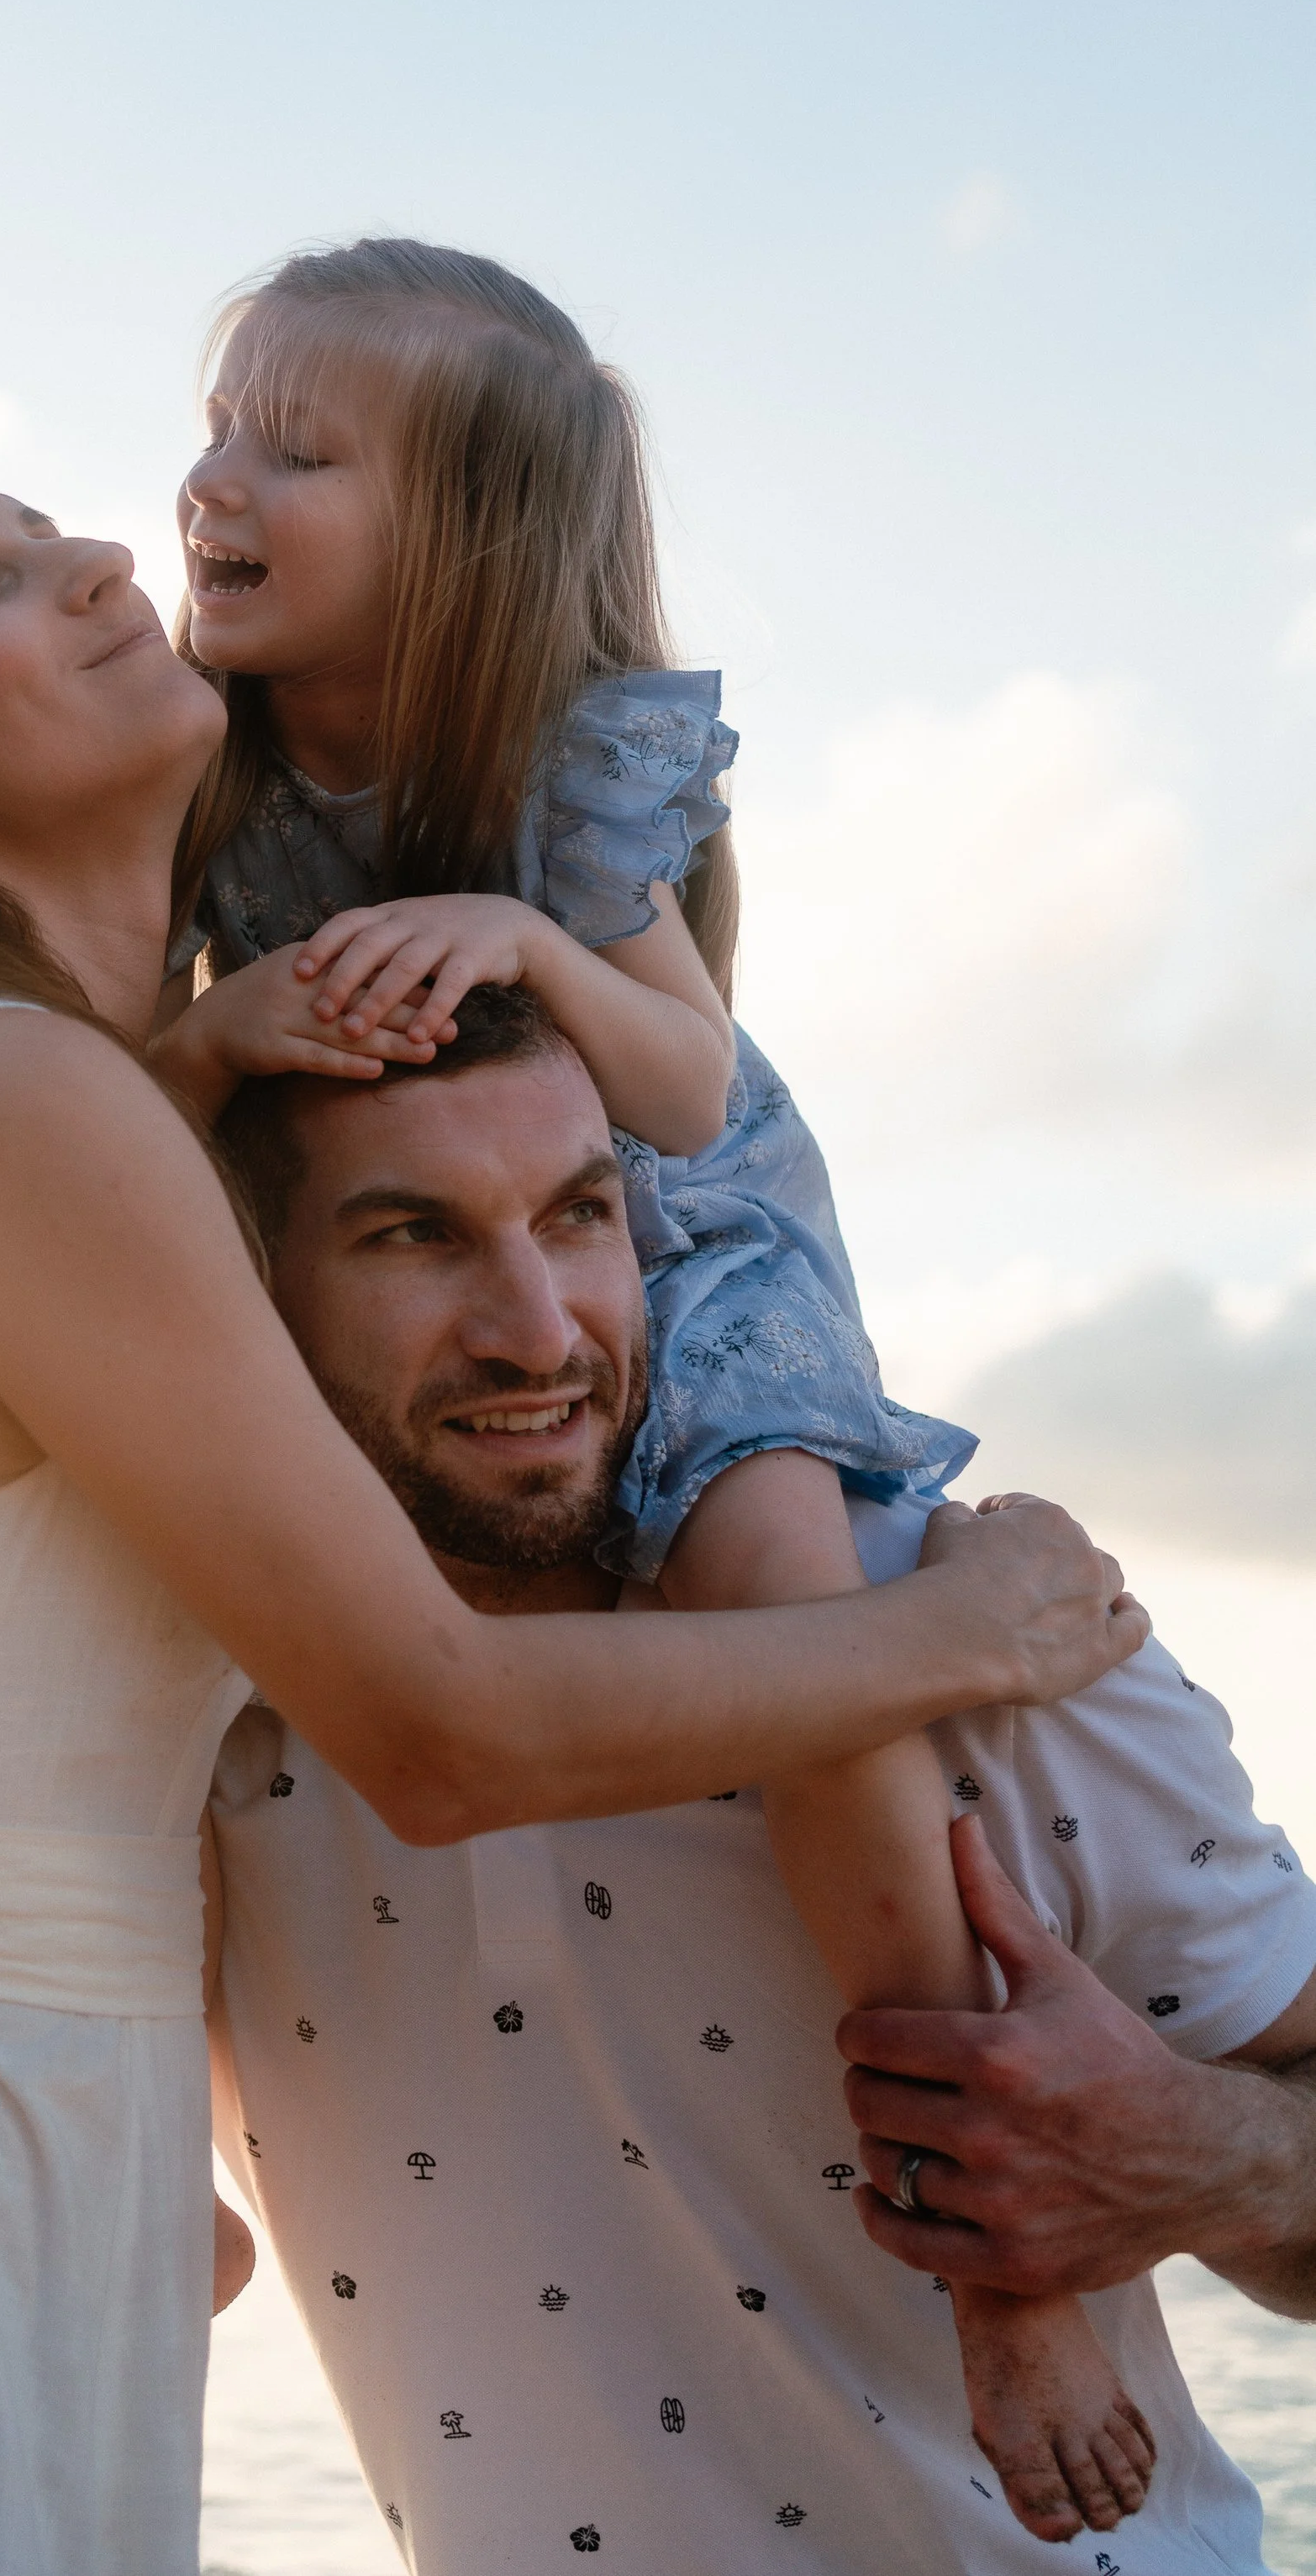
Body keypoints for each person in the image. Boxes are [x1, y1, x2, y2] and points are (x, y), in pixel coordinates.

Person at [0, 449, 1134, 2576]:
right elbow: (434, 1730)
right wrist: (977, 1624)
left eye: (55, 531)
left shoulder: (44, 1107)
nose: (93, 563)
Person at [0, 994, 1316, 2572]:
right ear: (236, 1294)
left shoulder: (970, 1637)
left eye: (578, 1214)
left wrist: (1209, 2153)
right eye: (409, 1235)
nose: (535, 1323)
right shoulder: (178, 1748)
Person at [146, 236, 1139, 2527]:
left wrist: (520, 946)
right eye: (215, 422)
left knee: (797, 1619)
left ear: (468, 545)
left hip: (677, 1255)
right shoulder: (207, 774)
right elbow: (127, 1089)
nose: (215, 478)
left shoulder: (568, 774)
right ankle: (156, 2154)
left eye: (296, 448)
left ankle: (999, 2244)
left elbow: (682, 1089)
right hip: (388, 1264)